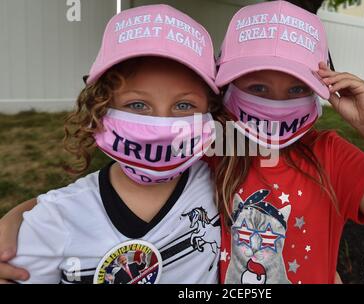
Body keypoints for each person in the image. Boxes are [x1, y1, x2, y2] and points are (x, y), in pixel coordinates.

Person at [212, 1, 364, 283]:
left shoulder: (331, 156)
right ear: (226, 85)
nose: (276, 104)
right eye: (258, 87)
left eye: (297, 88)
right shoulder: (204, 150)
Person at [0, 4, 222, 284]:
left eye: (183, 105)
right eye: (138, 104)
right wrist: (27, 213)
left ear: (210, 112)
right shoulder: (53, 221)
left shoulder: (223, 184)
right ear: (100, 109)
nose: (161, 127)